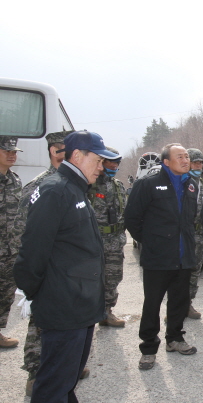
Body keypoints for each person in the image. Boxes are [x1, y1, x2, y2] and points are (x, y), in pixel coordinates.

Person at [13, 131, 119, 402]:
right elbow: (32, 252)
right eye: (97, 160)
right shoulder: (55, 190)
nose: (101, 167)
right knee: (53, 385)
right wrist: (38, 293)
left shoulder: (76, 189)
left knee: (67, 380)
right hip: (64, 307)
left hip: (79, 306)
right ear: (77, 156)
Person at [15, 130, 88, 396]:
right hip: (47, 273)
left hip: (71, 277)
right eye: (57, 150)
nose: (61, 154)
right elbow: (24, 235)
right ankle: (36, 371)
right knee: (40, 327)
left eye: (64, 149)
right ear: (51, 152)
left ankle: (66, 369)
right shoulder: (42, 186)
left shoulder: (77, 184)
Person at [124, 143, 199, 371]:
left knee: (179, 301)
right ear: (166, 162)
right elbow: (132, 219)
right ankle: (148, 348)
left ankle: (174, 338)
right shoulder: (147, 184)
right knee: (152, 304)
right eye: (180, 157)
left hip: (183, 256)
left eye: (187, 156)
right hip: (158, 258)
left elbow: (190, 220)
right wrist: (152, 242)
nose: (186, 160)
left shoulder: (191, 185)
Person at [88, 146, 127, 328]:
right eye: (110, 161)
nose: (114, 165)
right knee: (90, 280)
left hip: (115, 242)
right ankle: (87, 316)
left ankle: (107, 312)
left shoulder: (118, 186)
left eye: (116, 162)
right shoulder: (89, 184)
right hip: (93, 242)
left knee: (113, 278)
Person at [0, 136, 22, 349]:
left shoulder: (15, 180)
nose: (11, 154)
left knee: (6, 293)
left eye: (14, 151)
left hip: (10, 250)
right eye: (6, 151)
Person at [186, 148, 203, 319]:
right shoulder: (181, 183)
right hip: (184, 236)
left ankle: (188, 304)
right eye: (195, 162)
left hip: (201, 237)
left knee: (195, 272)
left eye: (201, 162)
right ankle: (175, 307)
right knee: (179, 273)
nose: (199, 165)